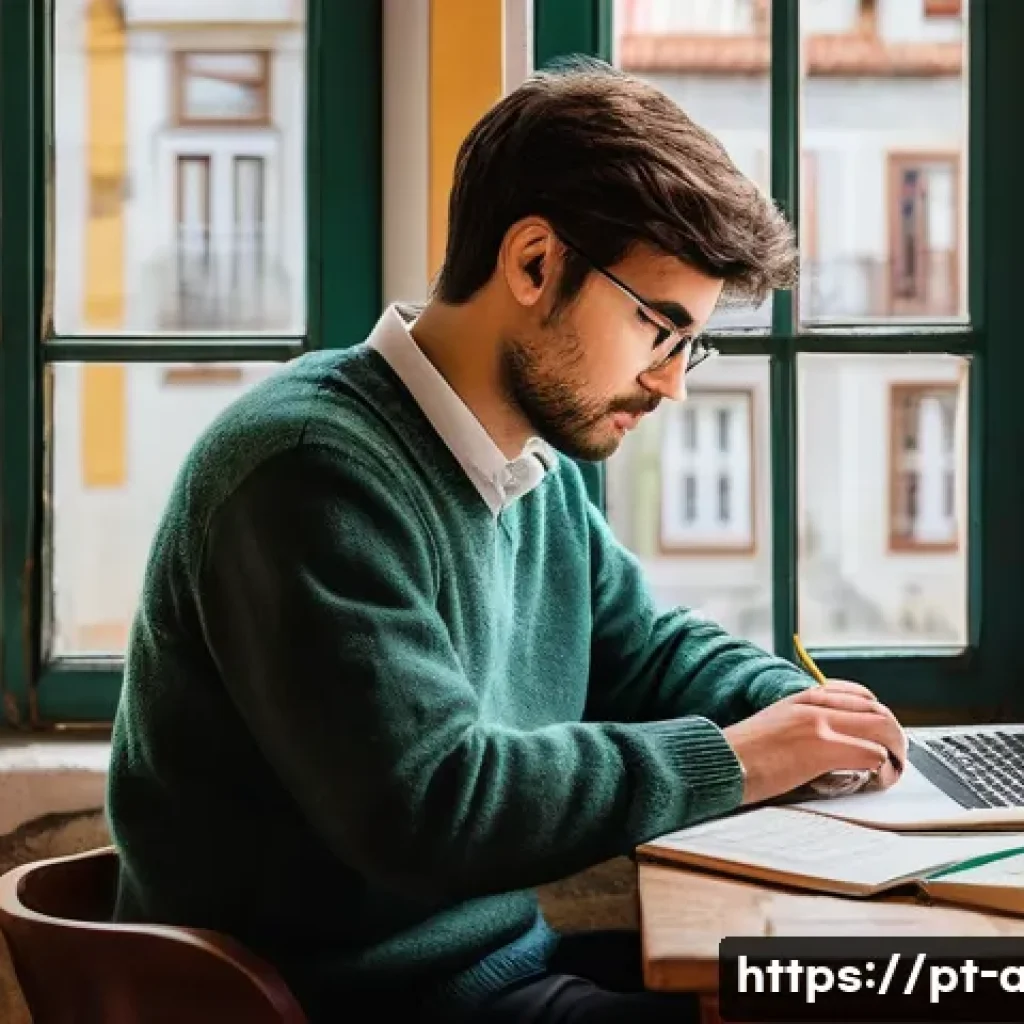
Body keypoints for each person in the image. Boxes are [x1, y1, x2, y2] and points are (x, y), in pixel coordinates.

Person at [105, 57, 907, 1023]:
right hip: (357, 1005)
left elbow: (645, 652)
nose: (672, 383)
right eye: (659, 329)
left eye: (689, 345)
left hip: (491, 972)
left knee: (866, 984)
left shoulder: (525, 465)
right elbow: (435, 805)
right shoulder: (306, 471)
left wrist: (800, 714)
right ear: (534, 262)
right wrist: (737, 760)